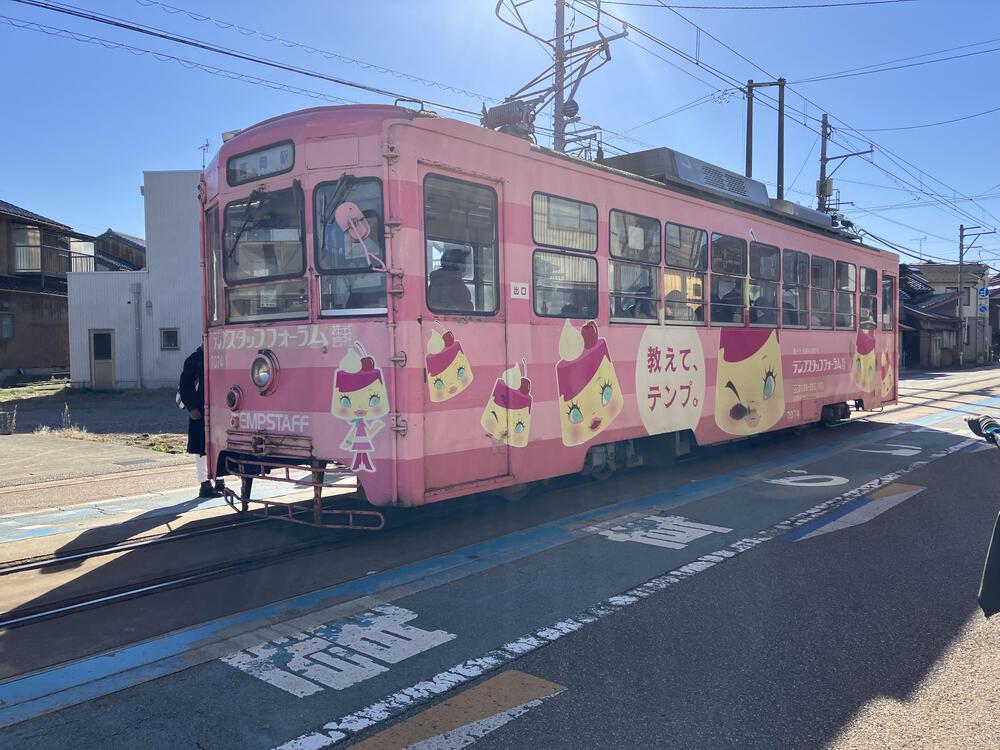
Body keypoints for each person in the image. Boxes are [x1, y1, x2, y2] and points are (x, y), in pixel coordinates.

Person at [178, 345, 224, 498]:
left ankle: (219, 481)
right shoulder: (195, 359)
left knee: (219, 445)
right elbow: (185, 386)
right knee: (201, 448)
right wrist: (192, 407)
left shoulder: (203, 357)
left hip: (217, 409)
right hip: (201, 409)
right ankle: (205, 483)